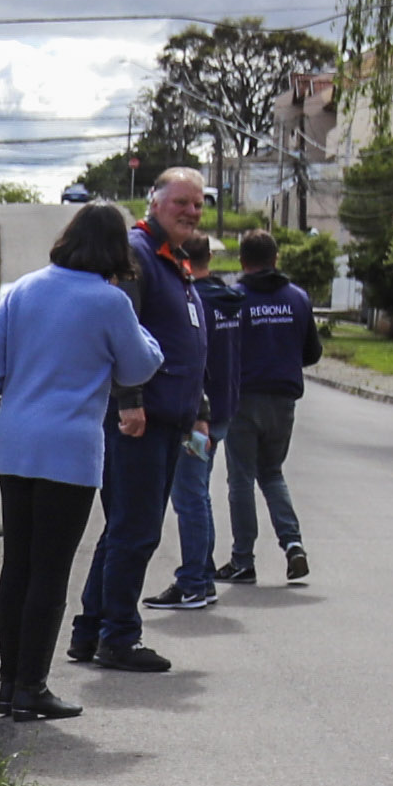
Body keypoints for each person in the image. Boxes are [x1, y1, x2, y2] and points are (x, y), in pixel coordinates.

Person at [0, 204, 165, 720]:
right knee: (50, 572)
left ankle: (9, 684)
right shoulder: (110, 302)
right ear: (114, 250)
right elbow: (140, 364)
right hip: (70, 449)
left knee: (17, 565)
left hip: (15, 442)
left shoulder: (22, 289)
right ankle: (34, 686)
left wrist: (24, 387)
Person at [71, 168, 213, 672]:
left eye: (198, 204)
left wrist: (199, 412)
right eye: (181, 202)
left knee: (124, 528)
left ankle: (90, 630)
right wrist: (130, 400)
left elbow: (186, 344)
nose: (191, 212)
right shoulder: (138, 257)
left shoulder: (174, 261)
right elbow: (121, 334)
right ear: (155, 202)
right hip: (139, 419)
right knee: (136, 530)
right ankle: (119, 637)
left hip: (170, 418)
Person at [215, 230, 322, 583]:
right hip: (283, 398)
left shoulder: (234, 298)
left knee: (241, 478)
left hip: (243, 397)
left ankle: (243, 559)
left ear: (243, 261)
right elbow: (312, 352)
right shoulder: (298, 298)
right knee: (272, 472)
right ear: (276, 259)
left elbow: (221, 350)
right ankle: (293, 544)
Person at [151, 236, 245, 610]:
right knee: (198, 495)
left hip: (196, 414)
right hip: (224, 409)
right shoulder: (230, 301)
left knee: (189, 496)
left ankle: (193, 581)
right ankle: (201, 574)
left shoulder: (193, 300)